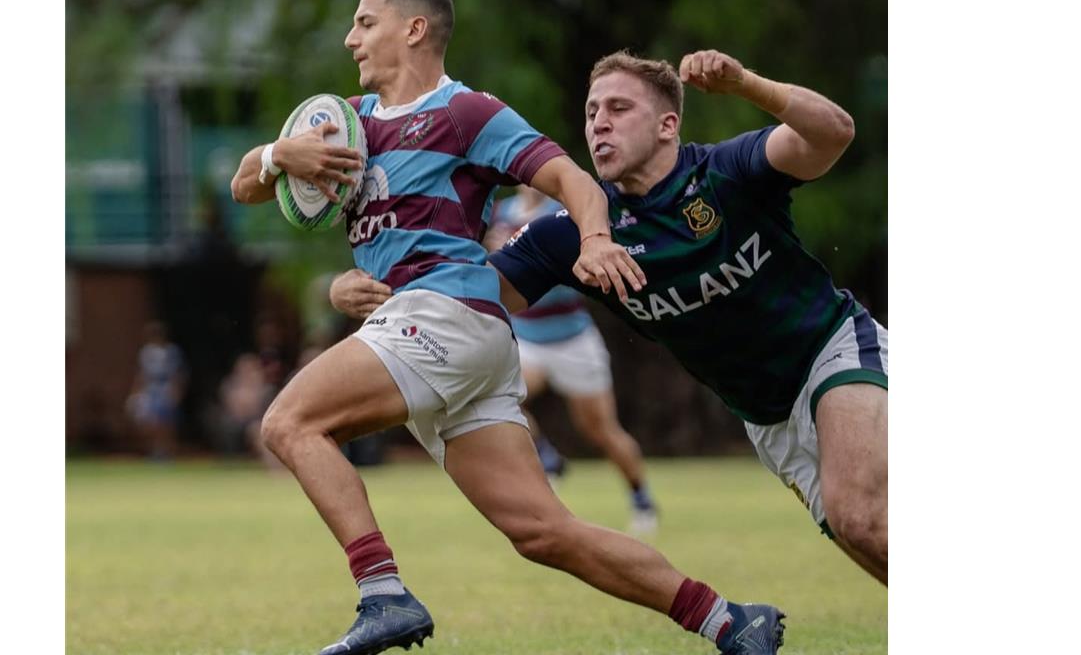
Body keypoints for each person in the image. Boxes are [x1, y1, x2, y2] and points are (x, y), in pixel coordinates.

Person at [232, 0, 785, 655]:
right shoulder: (346, 124)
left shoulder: (466, 112)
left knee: (289, 421)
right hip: (451, 332)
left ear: (415, 30)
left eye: (365, 23)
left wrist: (593, 240)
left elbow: (573, 181)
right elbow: (246, 186)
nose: (351, 39)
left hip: (450, 315)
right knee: (542, 530)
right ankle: (732, 622)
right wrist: (279, 158)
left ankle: (382, 591)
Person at [332, 49, 888, 586]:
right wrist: (361, 287)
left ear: (668, 125)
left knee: (859, 515)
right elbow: (464, 306)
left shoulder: (727, 172)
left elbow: (834, 132)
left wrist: (746, 84)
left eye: (620, 109)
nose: (600, 124)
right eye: (592, 112)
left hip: (833, 348)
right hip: (766, 419)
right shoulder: (568, 232)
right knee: (869, 538)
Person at [485, 184, 658, 533]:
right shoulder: (501, 214)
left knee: (600, 431)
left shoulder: (566, 212)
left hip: (572, 339)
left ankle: (640, 494)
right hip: (526, 337)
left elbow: (567, 271)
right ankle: (547, 456)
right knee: (493, 397)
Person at [125, 320, 187, 461]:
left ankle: (168, 451)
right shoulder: (146, 352)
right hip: (151, 390)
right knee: (150, 422)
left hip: (166, 388)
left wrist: (176, 390)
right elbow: (141, 374)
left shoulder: (172, 351)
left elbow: (178, 373)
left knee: (167, 422)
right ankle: (154, 450)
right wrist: (135, 392)